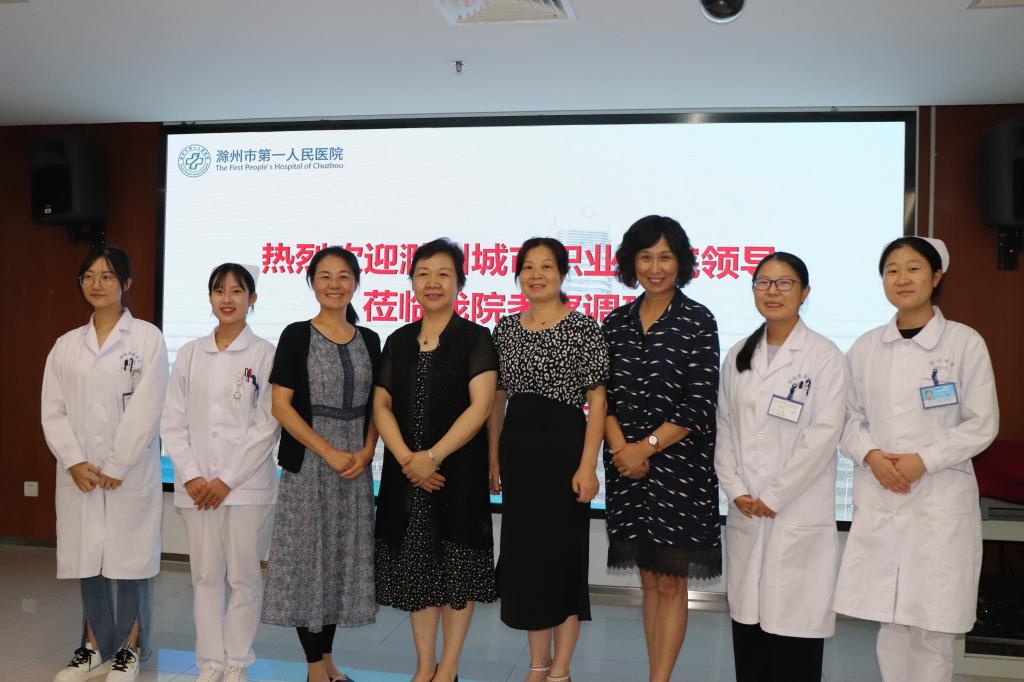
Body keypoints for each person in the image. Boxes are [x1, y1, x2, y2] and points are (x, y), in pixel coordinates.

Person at [835, 236, 999, 682]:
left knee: (932, 628)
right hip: (883, 493)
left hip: (938, 497)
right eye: (891, 270)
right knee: (891, 623)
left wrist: (923, 460)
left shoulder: (963, 343)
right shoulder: (866, 347)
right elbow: (847, 418)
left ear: (936, 277)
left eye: (913, 268)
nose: (901, 278)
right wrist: (871, 455)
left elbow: (982, 423)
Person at [713, 252, 848, 681]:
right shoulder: (739, 354)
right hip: (747, 511)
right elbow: (725, 427)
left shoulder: (824, 356)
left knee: (794, 640)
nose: (773, 292)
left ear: (804, 292)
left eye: (784, 283)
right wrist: (736, 489)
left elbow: (823, 436)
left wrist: (774, 495)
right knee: (749, 636)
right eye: (763, 282)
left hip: (796, 510)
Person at [600, 216, 721, 682]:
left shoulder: (697, 320)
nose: (655, 267)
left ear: (681, 262)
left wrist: (645, 448)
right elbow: (604, 397)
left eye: (665, 257)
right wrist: (623, 451)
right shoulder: (615, 322)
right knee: (648, 580)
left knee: (671, 583)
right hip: (626, 468)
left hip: (680, 471)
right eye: (646, 257)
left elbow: (699, 403)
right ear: (632, 262)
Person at [41, 245, 169, 682]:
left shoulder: (147, 339)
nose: (97, 284)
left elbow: (148, 408)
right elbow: (52, 410)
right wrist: (74, 461)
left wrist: (118, 463)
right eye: (89, 276)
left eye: (108, 276)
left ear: (126, 284)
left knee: (130, 560)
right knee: (88, 559)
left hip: (127, 473)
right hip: (80, 474)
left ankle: (130, 648)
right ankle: (94, 646)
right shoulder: (65, 346)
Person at [373, 239, 498, 682]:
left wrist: (433, 457)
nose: (433, 282)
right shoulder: (399, 340)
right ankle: (424, 666)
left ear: (460, 283)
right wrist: (408, 460)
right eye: (423, 273)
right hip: (406, 474)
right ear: (411, 282)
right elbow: (381, 404)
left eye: (444, 274)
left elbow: (481, 406)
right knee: (417, 572)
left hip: (457, 474)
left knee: (457, 570)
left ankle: (448, 668)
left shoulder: (475, 338)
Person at [489, 237, 609, 682]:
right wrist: (492, 457)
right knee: (527, 563)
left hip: (564, 455)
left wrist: (588, 465)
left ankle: (560, 668)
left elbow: (598, 401)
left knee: (562, 561)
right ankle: (537, 664)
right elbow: (497, 399)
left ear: (562, 273)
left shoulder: (583, 328)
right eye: (528, 266)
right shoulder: (505, 329)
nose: (536, 274)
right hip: (519, 456)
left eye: (546, 266)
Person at [260, 246, 381, 682]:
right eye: (325, 276)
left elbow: (378, 406)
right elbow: (281, 406)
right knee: (307, 564)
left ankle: (329, 661)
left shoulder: (370, 339)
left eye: (343, 275)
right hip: (311, 465)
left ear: (356, 283)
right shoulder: (297, 335)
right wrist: (327, 451)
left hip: (354, 467)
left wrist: (367, 451)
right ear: (312, 283)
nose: (334, 284)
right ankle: (314, 668)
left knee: (337, 565)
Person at [161, 263, 280, 682]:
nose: (227, 299)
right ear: (210, 298)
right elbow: (172, 420)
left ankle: (237, 661)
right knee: (206, 576)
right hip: (197, 490)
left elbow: (267, 424)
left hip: (245, 488)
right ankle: (210, 662)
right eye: (218, 290)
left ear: (252, 298)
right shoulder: (190, 353)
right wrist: (193, 476)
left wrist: (227, 479)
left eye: (236, 291)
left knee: (244, 576)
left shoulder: (265, 354)